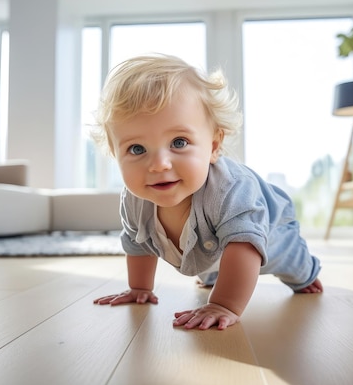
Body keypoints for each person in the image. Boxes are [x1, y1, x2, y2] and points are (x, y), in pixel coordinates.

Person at [92, 54, 322, 330]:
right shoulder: (134, 200)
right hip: (212, 252)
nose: (159, 165)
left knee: (292, 265)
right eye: (137, 149)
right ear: (115, 153)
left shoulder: (230, 191)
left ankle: (307, 271)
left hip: (271, 230)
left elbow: (244, 248)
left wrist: (223, 304)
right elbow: (138, 243)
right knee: (216, 262)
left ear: (213, 146)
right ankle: (215, 274)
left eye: (179, 142)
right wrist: (139, 287)